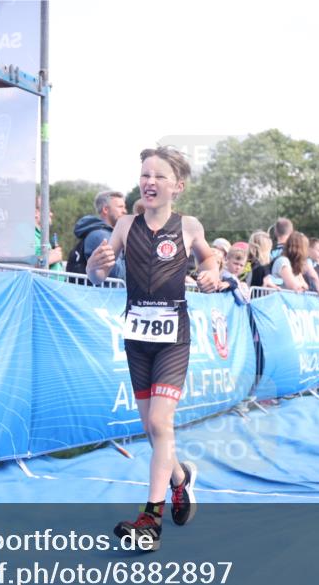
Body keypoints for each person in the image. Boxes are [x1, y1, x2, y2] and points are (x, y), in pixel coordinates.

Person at [86, 147, 219, 551]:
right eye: (145, 174)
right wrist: (96, 265)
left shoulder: (189, 226)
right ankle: (181, 480)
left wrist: (211, 272)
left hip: (173, 339)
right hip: (137, 338)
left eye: (159, 176)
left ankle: (150, 519)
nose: (149, 182)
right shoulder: (125, 224)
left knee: (161, 424)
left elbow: (210, 258)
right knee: (151, 429)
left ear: (176, 187)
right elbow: (98, 274)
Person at [69, 191, 127, 278]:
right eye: (120, 207)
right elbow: (116, 273)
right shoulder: (101, 236)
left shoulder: (101, 233)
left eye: (124, 207)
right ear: (105, 210)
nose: (125, 211)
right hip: (103, 291)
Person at [34, 195, 63, 270]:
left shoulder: (40, 235)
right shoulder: (25, 233)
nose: (51, 214)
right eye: (48, 210)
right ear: (35, 213)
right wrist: (51, 257)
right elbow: (23, 264)